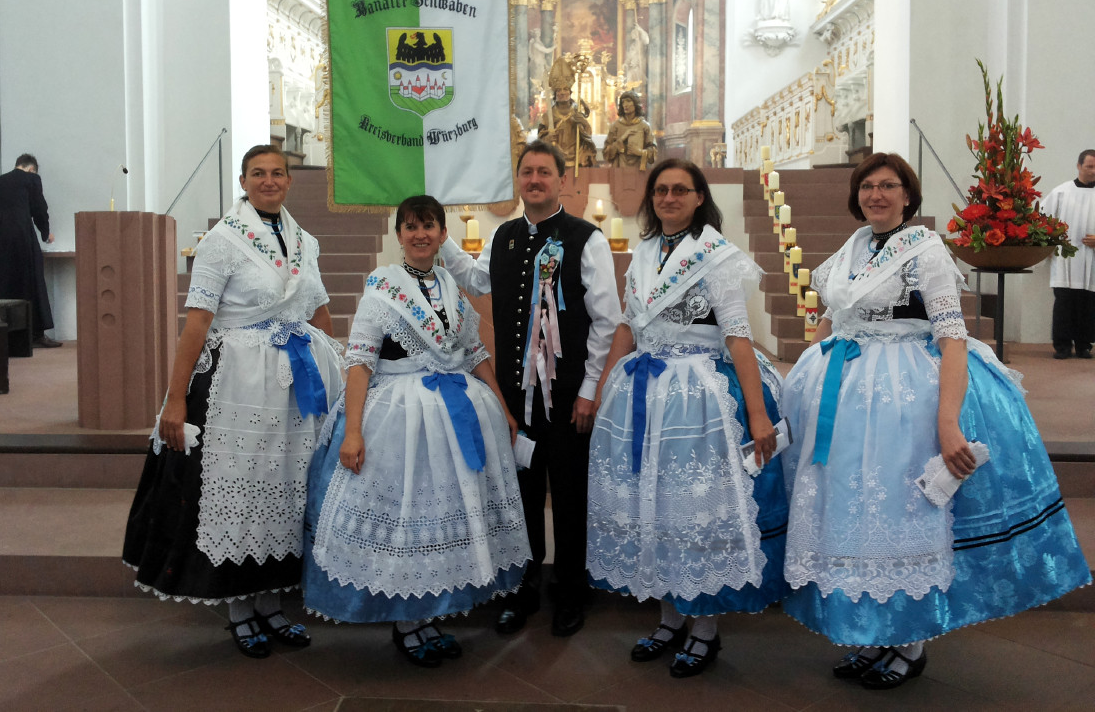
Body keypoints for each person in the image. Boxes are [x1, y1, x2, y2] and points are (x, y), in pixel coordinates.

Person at [781, 152, 1090, 690]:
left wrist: (948, 423)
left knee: (902, 512)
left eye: (888, 185)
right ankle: (875, 634)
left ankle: (910, 643)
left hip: (902, 397)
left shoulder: (925, 251)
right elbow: (833, 317)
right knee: (856, 509)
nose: (876, 195)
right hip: (846, 398)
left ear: (908, 195)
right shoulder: (852, 247)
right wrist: (806, 378)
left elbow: (951, 338)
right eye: (867, 186)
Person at [122, 145, 343, 660]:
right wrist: (175, 400)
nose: (268, 181)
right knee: (244, 490)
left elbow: (317, 309)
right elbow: (197, 322)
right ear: (242, 181)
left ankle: (271, 603)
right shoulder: (221, 242)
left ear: (289, 181)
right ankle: (240, 609)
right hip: (238, 384)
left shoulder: (305, 241)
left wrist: (336, 368)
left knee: (285, 489)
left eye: (277, 173)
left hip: (295, 387)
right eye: (257, 173)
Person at [303, 195, 530, 666]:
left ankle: (427, 617)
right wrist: (353, 432)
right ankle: (407, 623)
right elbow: (360, 362)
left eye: (428, 226)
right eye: (411, 227)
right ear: (399, 235)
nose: (420, 234)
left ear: (443, 234)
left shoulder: (449, 284)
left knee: (438, 519)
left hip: (451, 415)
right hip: (399, 417)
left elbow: (474, 353)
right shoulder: (382, 287)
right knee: (406, 522)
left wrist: (503, 407)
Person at [587, 158, 788, 678]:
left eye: (680, 190)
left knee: (692, 509)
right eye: (661, 190)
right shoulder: (644, 252)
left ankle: (704, 629)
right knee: (651, 507)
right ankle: (668, 618)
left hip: (697, 397)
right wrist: (605, 388)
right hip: (643, 390)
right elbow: (628, 326)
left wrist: (759, 415)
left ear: (700, 197)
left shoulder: (716, 256)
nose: (669, 198)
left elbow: (737, 337)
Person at [441, 141, 620, 637]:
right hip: (515, 395)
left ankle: (571, 589)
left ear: (562, 180)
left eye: (544, 172)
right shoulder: (504, 235)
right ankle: (523, 586)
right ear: (518, 181)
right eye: (527, 172)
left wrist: (589, 389)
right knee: (520, 491)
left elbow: (607, 321)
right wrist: (443, 239)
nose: (535, 180)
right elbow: (477, 280)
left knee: (569, 492)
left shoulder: (587, 239)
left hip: (567, 396)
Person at [0, 153, 59, 348]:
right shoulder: (31, 180)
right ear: (31, 169)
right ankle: (36, 333)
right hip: (22, 235)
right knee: (32, 281)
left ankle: (3, 334)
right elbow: (39, 208)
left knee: (2, 283)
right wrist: (45, 233)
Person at [1041, 148, 1095, 359]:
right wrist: (1047, 245)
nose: (1093, 171)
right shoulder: (1061, 192)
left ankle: (1084, 345)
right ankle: (1062, 345)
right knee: (1064, 302)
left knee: (1088, 303)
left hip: (1091, 259)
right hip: (1064, 258)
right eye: (1089, 166)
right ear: (1079, 166)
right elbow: (1041, 218)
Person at [602, 90, 657, 171]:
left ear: (635, 103)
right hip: (619, 170)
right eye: (623, 102)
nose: (625, 105)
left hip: (639, 171)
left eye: (628, 101)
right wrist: (621, 139)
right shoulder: (615, 126)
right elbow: (606, 153)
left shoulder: (644, 126)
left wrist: (640, 152)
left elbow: (653, 152)